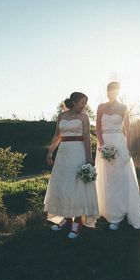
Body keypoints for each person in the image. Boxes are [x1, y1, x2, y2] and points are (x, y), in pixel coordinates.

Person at [94, 82, 140, 242]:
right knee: (107, 178)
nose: (110, 93)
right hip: (104, 144)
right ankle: (109, 212)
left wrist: (127, 147)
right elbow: (97, 127)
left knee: (120, 178)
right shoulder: (101, 107)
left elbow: (128, 129)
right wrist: (102, 145)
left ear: (117, 92)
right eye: (108, 91)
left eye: (113, 91)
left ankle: (120, 214)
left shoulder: (123, 108)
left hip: (119, 142)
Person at [43, 91, 98, 239]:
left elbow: (87, 138)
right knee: (62, 184)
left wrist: (89, 158)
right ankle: (67, 219)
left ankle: (78, 222)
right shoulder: (61, 116)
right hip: (63, 153)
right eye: (82, 103)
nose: (84, 106)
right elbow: (57, 136)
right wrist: (50, 152)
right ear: (74, 102)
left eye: (85, 103)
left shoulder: (84, 117)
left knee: (76, 185)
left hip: (78, 152)